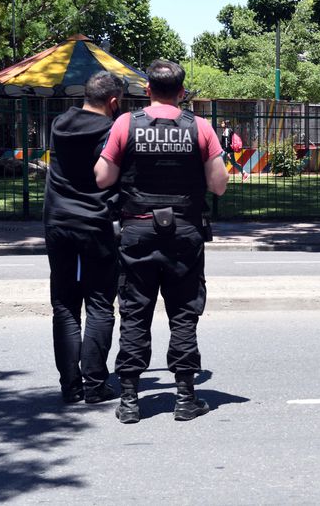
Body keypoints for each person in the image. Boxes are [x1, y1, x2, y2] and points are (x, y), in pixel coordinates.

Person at [94, 59, 228, 424]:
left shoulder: (126, 123)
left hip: (137, 232)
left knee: (135, 312)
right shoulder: (199, 127)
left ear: (148, 90)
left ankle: (130, 401)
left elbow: (103, 178)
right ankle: (185, 398)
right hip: (184, 233)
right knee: (184, 313)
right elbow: (218, 184)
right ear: (182, 93)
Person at [43, 71, 124, 404]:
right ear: (114, 101)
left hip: (58, 220)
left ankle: (70, 386)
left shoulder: (60, 123)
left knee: (64, 304)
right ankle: (94, 384)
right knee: (100, 304)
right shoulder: (112, 131)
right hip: (96, 222)